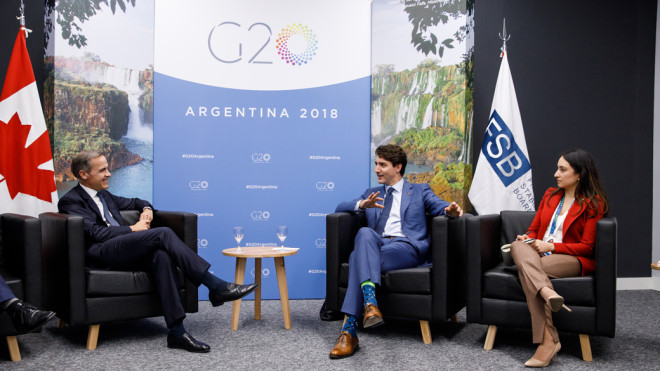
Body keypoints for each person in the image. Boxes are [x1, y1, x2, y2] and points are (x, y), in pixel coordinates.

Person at [58, 150, 258, 353]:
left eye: (107, 168)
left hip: (123, 249)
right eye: (102, 170)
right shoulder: (70, 201)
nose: (109, 173)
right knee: (162, 234)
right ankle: (215, 286)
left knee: (161, 256)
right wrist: (132, 229)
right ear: (83, 174)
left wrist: (147, 210)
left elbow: (136, 202)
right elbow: (95, 233)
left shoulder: (105, 195)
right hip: (102, 253)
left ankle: (177, 331)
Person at [329, 144, 463, 359]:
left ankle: (349, 332)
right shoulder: (371, 193)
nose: (377, 169)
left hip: (406, 247)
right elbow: (340, 207)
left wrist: (450, 210)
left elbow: (439, 205)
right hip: (377, 244)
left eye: (382, 165)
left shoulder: (420, 190)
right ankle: (370, 304)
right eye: (376, 164)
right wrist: (363, 204)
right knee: (364, 233)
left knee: (357, 258)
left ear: (398, 167)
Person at [510, 149, 608, 368]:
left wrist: (551, 245)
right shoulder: (550, 195)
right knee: (518, 245)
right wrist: (528, 237)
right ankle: (547, 292)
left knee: (529, 271)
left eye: (563, 170)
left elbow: (587, 247)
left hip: (568, 257)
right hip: (537, 254)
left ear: (579, 174)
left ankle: (548, 342)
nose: (556, 174)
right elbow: (534, 229)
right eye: (557, 169)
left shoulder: (594, 204)